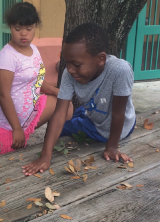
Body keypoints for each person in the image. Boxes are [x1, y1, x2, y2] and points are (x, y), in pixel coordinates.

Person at [22, 23, 136, 175]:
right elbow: (59, 113)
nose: (69, 69)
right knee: (61, 122)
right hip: (93, 113)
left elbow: (118, 113)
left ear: (100, 59)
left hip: (111, 129)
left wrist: (112, 147)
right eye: (66, 62)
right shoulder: (70, 73)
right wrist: (45, 156)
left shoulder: (120, 70)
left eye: (76, 64)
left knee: (65, 126)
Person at [0, 2, 72, 155]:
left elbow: (36, 81)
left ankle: (50, 144)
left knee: (66, 105)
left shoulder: (34, 50)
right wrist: (16, 128)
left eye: (29, 29)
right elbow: (3, 95)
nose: (23, 34)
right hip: (5, 127)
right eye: (18, 29)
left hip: (29, 116)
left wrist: (58, 91)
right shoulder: (7, 57)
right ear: (10, 27)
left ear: (35, 27)